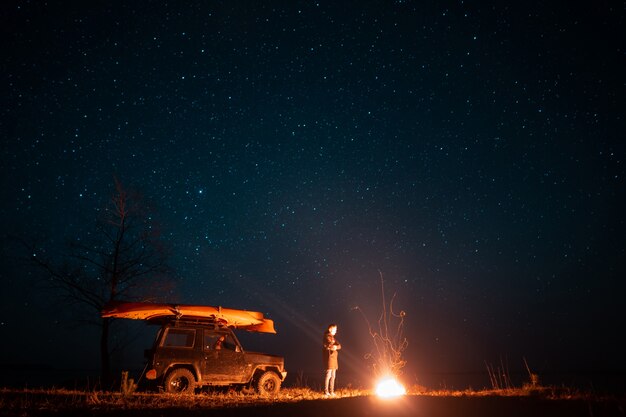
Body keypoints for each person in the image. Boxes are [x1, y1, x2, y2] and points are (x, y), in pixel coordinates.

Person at [322, 323, 341, 396]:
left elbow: (339, 345)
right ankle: (326, 391)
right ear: (330, 329)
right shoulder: (326, 336)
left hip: (334, 359)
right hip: (329, 359)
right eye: (335, 329)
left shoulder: (332, 337)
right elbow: (328, 345)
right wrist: (333, 346)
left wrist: (336, 347)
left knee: (333, 376)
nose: (336, 331)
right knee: (328, 375)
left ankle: (331, 391)